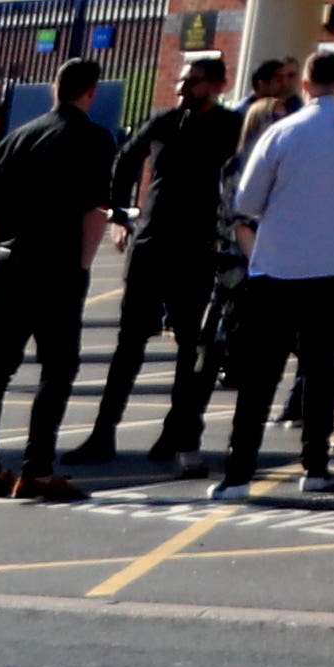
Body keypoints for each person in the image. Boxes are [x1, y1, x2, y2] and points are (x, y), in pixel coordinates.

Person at [215, 43, 334, 498]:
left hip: (279, 265)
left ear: (308, 83)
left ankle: (239, 472)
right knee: (319, 372)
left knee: (260, 375)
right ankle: (316, 465)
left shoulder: (283, 133)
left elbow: (248, 201)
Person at [0, 58, 120, 501]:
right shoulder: (93, 138)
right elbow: (96, 209)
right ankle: (36, 470)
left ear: (55, 88)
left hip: (12, 260)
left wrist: (14, 240)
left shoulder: (19, 136)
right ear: (90, 92)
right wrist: (81, 266)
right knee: (57, 370)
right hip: (58, 265)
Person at [80, 55, 239, 469]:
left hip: (196, 249)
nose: (184, 88)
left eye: (194, 82)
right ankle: (103, 434)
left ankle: (178, 432)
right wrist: (119, 214)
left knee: (191, 347)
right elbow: (124, 160)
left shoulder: (229, 128)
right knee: (129, 344)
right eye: (182, 81)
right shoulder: (166, 122)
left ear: (219, 85)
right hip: (151, 244)